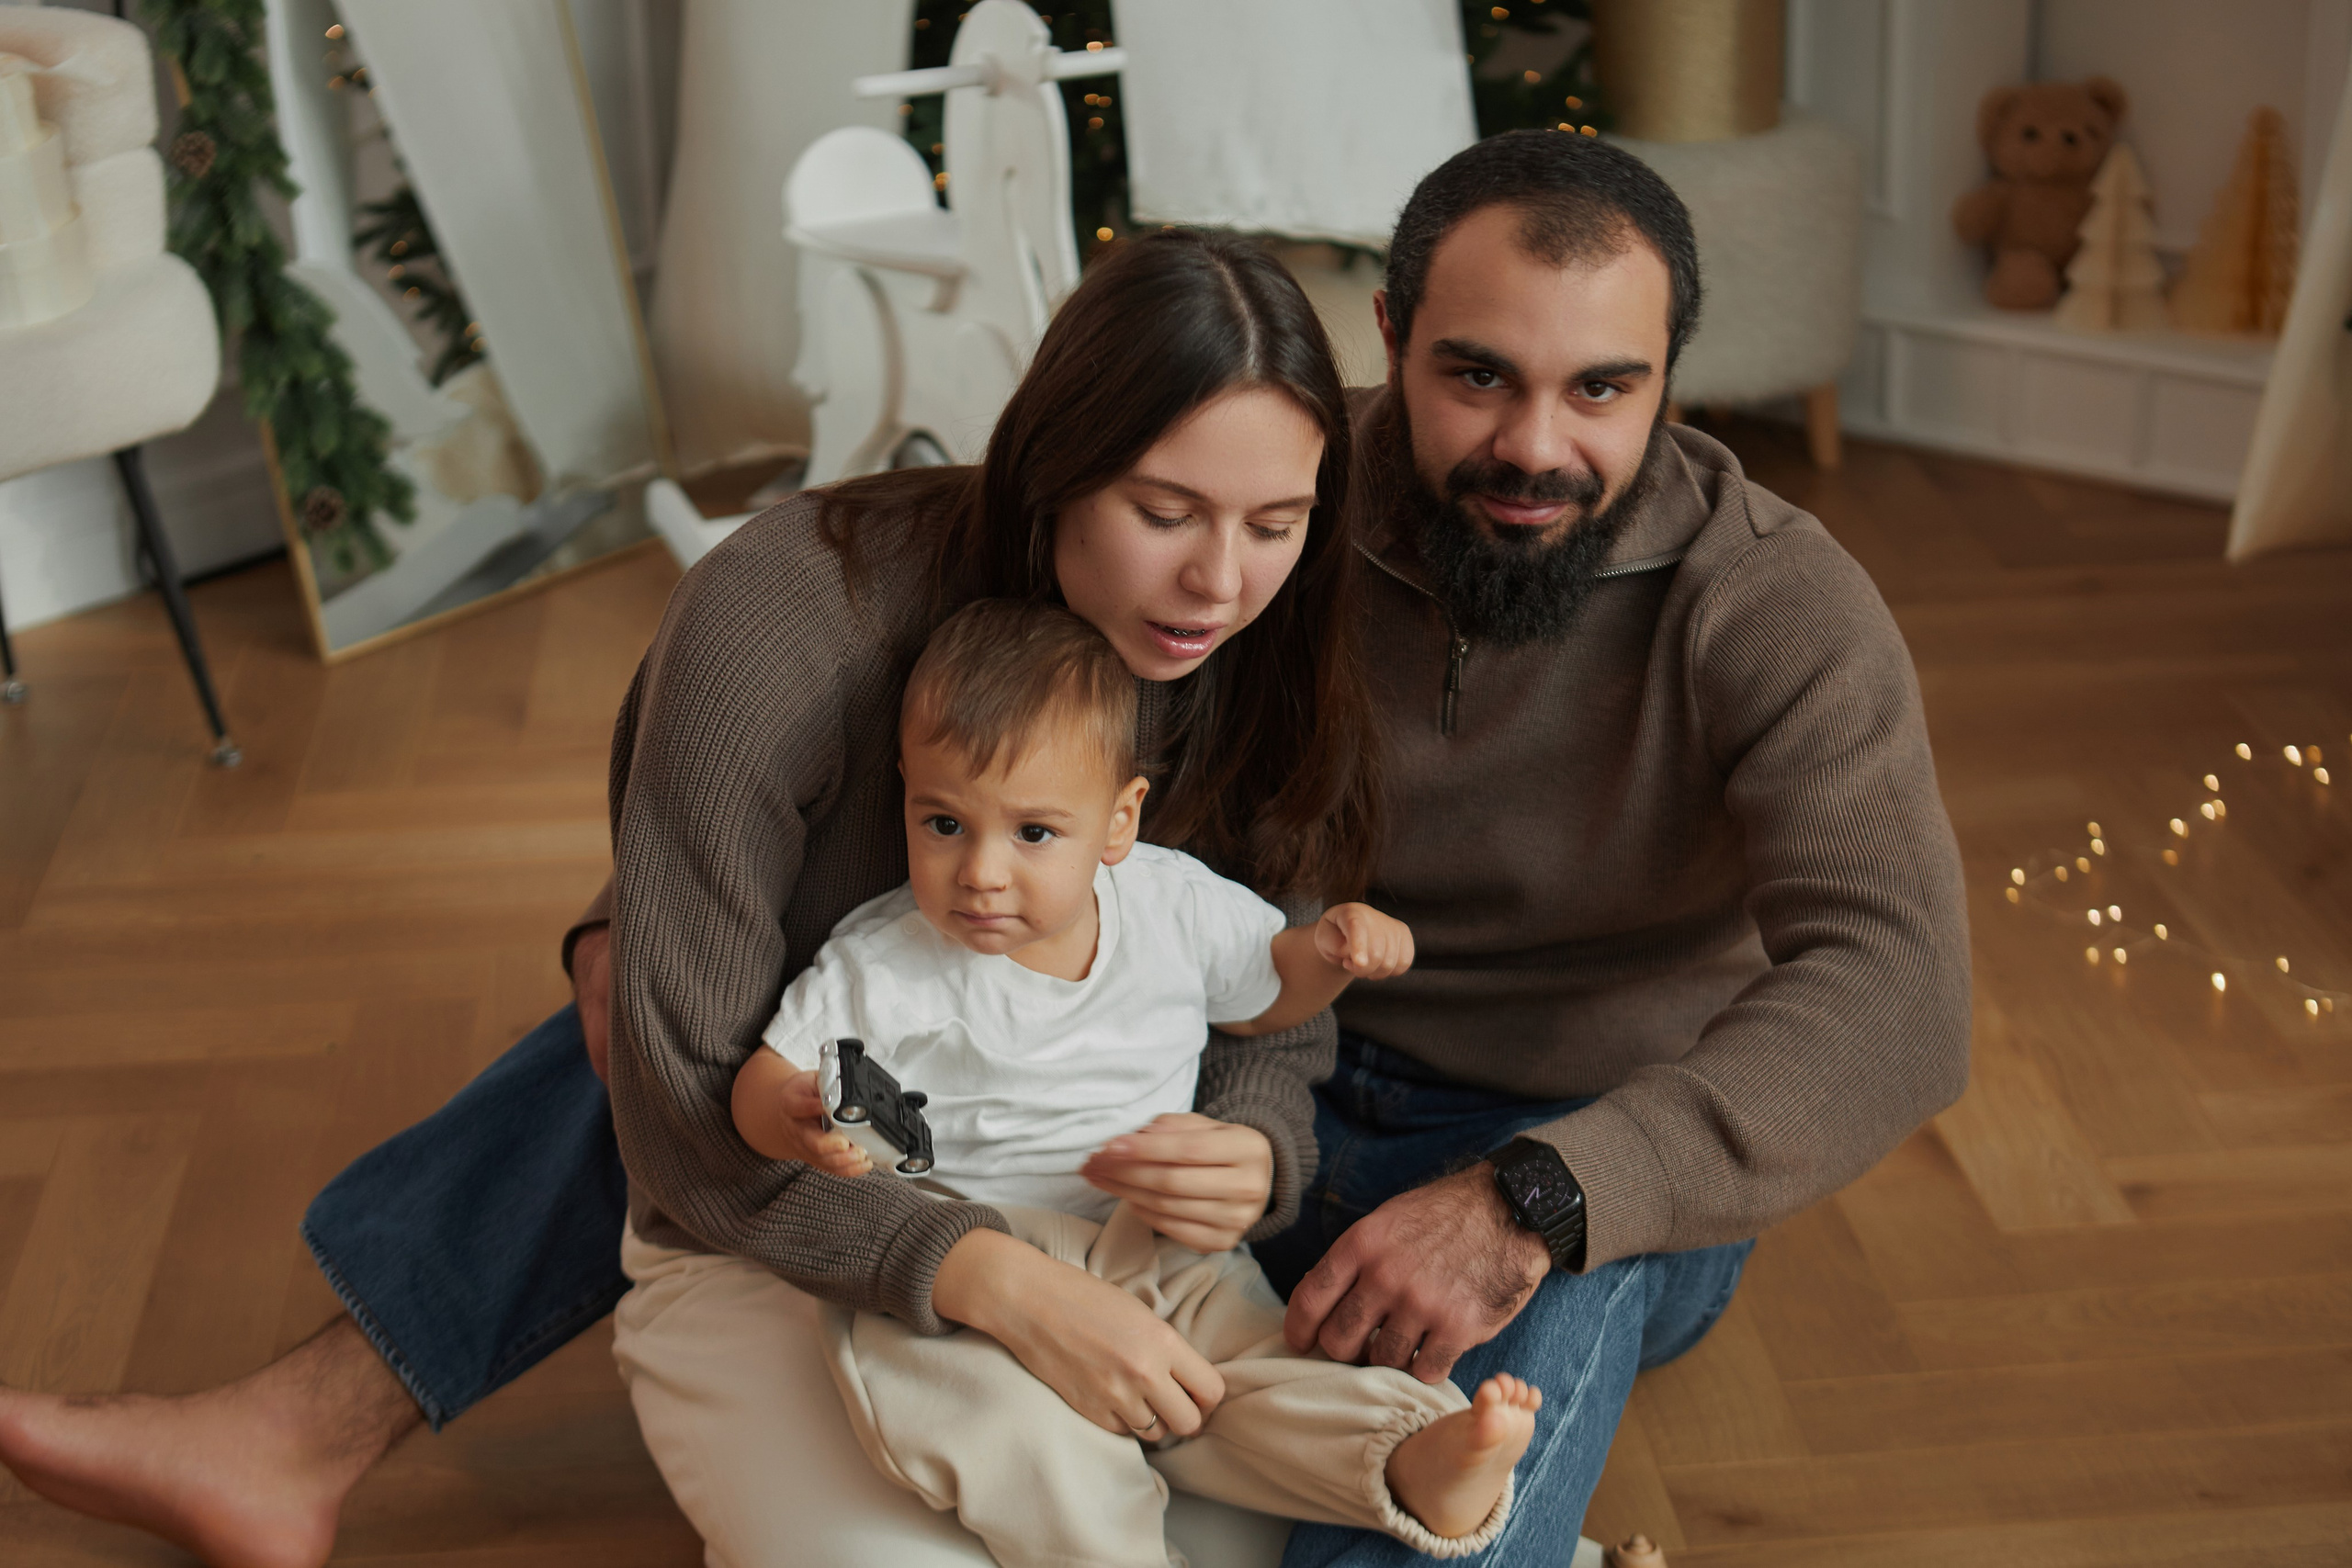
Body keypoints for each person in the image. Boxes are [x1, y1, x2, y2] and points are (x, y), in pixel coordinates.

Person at [0, 130, 1971, 1568]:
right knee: (763, 1026)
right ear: (1392, 342)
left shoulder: (1763, 605)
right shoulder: (1269, 500)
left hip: (1536, 1142)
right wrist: (656, 918)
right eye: (1474, 375)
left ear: (1664, 386)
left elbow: (1894, 996)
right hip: (1185, 1066)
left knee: (1412, 1472)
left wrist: (1542, 1194)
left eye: (1600, 387)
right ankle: (299, 1424)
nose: (1530, 440)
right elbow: (1039, 844)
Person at [729, 595, 1537, 1566]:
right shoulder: (887, 960)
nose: (980, 872)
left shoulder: (1171, 905)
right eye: (942, 822)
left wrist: (1329, 951)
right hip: (963, 1259)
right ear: (903, 793)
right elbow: (759, 1084)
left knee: (1256, 1366)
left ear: (1119, 822)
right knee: (1002, 1432)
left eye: (1033, 834)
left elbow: (1263, 998)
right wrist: (790, 1115)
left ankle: (1406, 1453)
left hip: (1153, 1242)